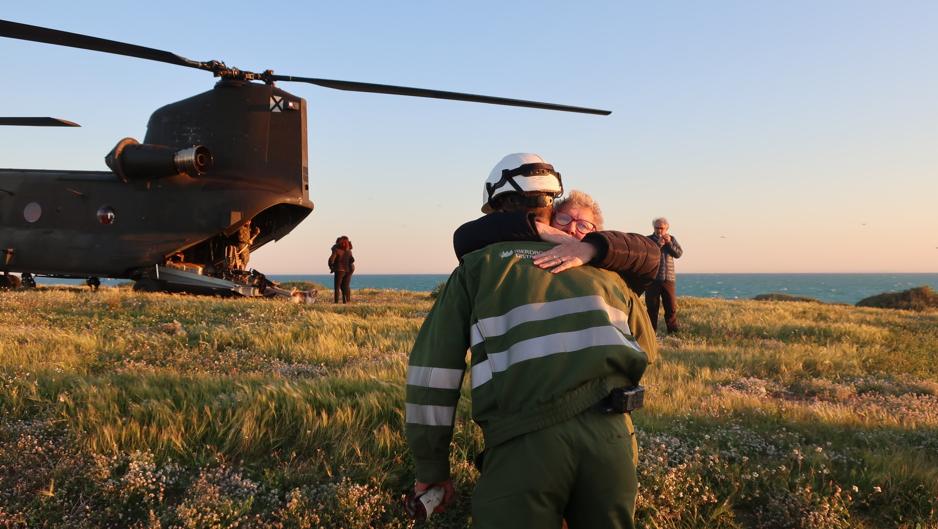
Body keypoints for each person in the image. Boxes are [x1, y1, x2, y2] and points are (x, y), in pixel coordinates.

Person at [405, 153, 656, 529]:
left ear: (498, 207)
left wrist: (432, 466)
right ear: (551, 205)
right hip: (614, 439)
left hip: (523, 447)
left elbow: (432, 374)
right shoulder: (606, 271)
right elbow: (647, 349)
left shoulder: (477, 267)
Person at [453, 189, 660, 294]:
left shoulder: (610, 264)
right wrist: (535, 228)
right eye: (564, 219)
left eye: (583, 225)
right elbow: (464, 238)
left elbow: (651, 255)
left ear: (597, 230)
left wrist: (592, 248)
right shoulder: (527, 252)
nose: (571, 228)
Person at [646, 217, 683, 333]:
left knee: (671, 307)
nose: (659, 230)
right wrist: (658, 244)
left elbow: (678, 254)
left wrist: (669, 243)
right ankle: (651, 333)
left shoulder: (672, 239)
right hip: (652, 278)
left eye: (661, 228)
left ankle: (673, 332)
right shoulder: (648, 239)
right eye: (656, 228)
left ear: (667, 228)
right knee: (652, 307)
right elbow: (647, 254)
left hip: (668, 278)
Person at [327, 236, 355, 303]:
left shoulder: (336, 250)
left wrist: (331, 267)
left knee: (337, 287)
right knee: (346, 286)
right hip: (349, 270)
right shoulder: (349, 251)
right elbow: (352, 260)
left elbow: (331, 260)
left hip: (339, 270)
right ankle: (347, 301)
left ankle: (336, 302)